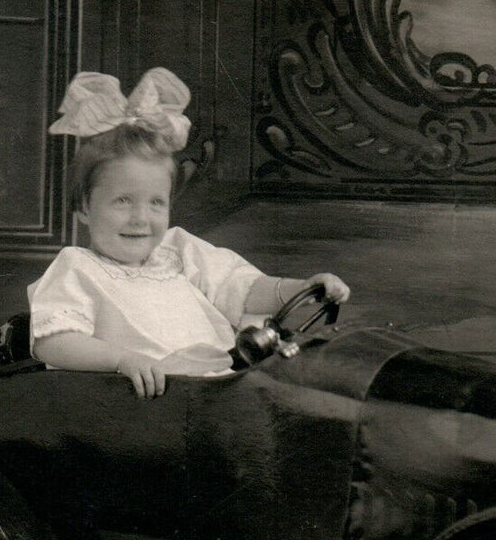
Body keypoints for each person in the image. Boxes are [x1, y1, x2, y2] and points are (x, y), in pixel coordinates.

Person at [28, 67, 350, 398]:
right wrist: (121, 359)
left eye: (156, 203)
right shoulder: (78, 267)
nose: (141, 219)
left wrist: (304, 287)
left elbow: (242, 288)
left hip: (220, 383)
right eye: (122, 201)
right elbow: (53, 341)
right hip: (150, 400)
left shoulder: (177, 251)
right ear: (84, 207)